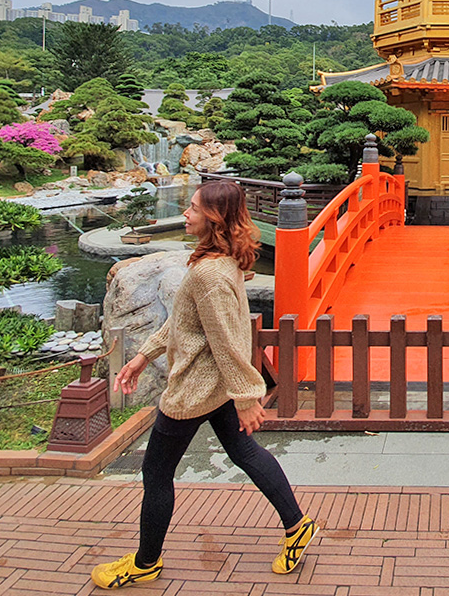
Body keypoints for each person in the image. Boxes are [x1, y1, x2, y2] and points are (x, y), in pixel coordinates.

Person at [91, 180, 317, 589]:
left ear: (212, 218)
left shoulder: (210, 273)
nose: (186, 213)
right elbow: (183, 321)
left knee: (155, 472)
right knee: (244, 452)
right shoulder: (218, 260)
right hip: (214, 387)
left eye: (193, 208)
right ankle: (297, 525)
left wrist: (248, 397)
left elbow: (228, 339)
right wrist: (145, 355)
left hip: (194, 391)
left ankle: (146, 562)